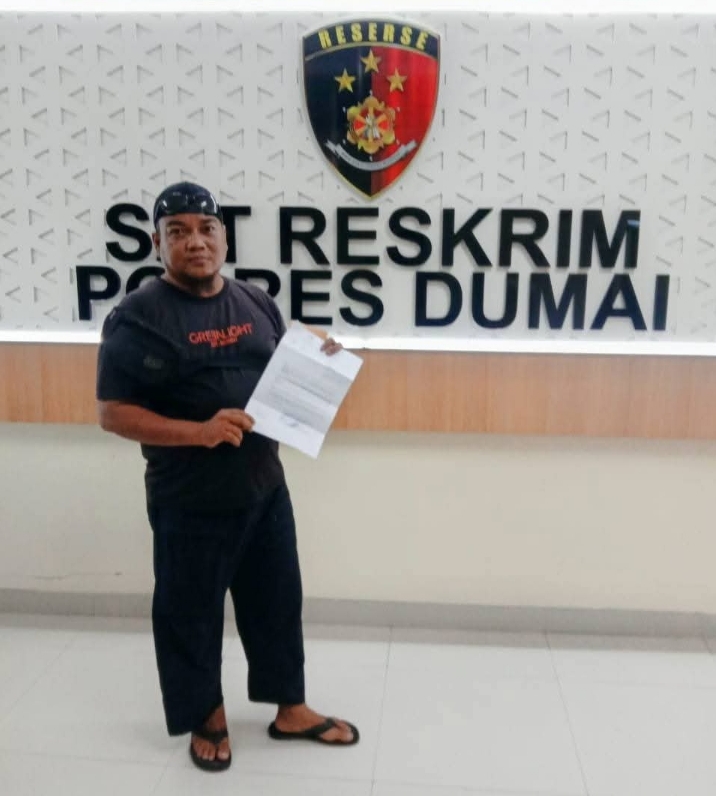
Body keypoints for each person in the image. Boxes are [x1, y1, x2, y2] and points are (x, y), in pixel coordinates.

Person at [96, 181, 358, 772]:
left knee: (277, 601)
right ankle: (206, 716)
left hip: (264, 487)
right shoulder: (136, 317)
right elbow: (113, 413)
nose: (196, 242)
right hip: (188, 498)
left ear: (224, 237)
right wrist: (200, 431)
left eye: (206, 229)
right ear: (158, 243)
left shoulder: (255, 301)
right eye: (179, 231)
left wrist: (317, 353)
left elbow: (279, 364)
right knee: (190, 612)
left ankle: (291, 709)